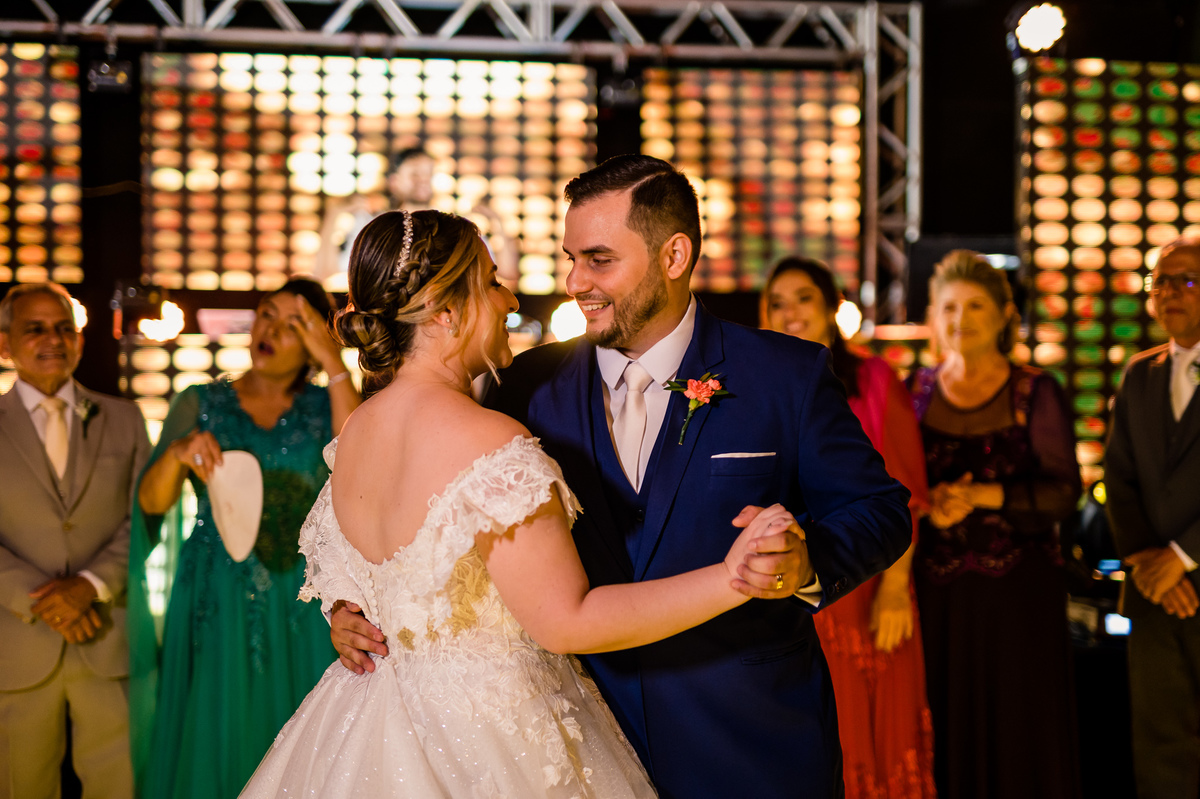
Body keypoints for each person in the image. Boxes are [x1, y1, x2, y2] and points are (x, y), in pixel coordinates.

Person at [331, 155, 914, 798]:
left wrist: (803, 566)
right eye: (571, 257)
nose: (577, 281)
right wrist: (361, 607)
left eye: (600, 260)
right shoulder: (519, 388)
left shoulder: (786, 375)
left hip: (748, 741)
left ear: (674, 255)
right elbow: (427, 521)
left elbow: (881, 510)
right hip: (567, 745)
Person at [240, 208, 799, 798]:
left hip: (365, 725)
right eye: (489, 280)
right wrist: (735, 578)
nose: (509, 299)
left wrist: (343, 619)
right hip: (487, 738)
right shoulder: (489, 441)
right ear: (447, 311)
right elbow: (567, 621)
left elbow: (371, 582)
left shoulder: (354, 435)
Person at [128, 277, 362, 799]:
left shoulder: (331, 405)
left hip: (302, 602)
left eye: (292, 323)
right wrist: (177, 453)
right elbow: (150, 503)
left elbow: (356, 463)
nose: (271, 330)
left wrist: (336, 365)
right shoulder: (200, 403)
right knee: (215, 729)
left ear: (317, 339)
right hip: (217, 596)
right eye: (266, 314)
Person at [908, 250, 1081, 799]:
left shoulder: (1036, 390)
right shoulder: (916, 388)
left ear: (1006, 314)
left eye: (976, 305)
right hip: (935, 595)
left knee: (1019, 727)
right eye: (950, 307)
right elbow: (893, 480)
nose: (961, 319)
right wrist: (928, 500)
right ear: (934, 317)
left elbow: (1063, 493)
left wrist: (983, 494)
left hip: (1018, 598)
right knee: (945, 718)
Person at [761, 257, 935, 799]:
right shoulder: (757, 384)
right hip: (790, 589)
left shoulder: (874, 379)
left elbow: (904, 495)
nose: (790, 312)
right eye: (778, 302)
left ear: (833, 308)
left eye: (804, 298)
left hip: (866, 581)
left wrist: (894, 590)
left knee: (871, 734)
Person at [0, 282, 150, 798]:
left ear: (81, 341)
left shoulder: (125, 419)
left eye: (65, 327)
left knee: (120, 786)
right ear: (4, 344)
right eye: (35, 328)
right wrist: (43, 600)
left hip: (106, 639)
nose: (53, 338)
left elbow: (144, 518)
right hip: (14, 646)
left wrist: (89, 585)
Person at [1105, 237, 1200, 798]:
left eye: (1185, 280)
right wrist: (1147, 562)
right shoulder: (1140, 374)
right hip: (1154, 595)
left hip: (1186, 575)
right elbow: (1119, 479)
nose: (1168, 293)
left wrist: (1182, 558)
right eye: (1159, 282)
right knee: (1160, 746)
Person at [314, 146, 519, 290]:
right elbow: (324, 273)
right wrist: (334, 215)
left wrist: (498, 222)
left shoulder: (453, 227)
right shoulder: (375, 227)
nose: (423, 181)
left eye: (428, 174)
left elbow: (507, 275)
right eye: (414, 174)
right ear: (394, 181)